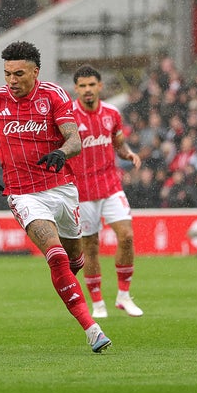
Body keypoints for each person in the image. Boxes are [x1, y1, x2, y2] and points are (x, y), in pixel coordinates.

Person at [0, 41, 112, 353]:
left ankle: (68, 277)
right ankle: (92, 329)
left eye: (18, 74)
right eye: (7, 74)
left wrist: (61, 152)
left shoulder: (53, 95)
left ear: (36, 72)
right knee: (56, 256)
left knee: (73, 260)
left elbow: (74, 139)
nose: (11, 81)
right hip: (23, 194)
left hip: (62, 189)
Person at [68, 64, 143, 319]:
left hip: (110, 186)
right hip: (82, 192)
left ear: (100, 86)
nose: (88, 90)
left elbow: (119, 145)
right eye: (83, 86)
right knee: (90, 247)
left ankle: (123, 295)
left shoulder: (112, 113)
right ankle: (98, 303)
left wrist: (128, 154)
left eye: (92, 85)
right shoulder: (68, 117)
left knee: (127, 236)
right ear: (76, 89)